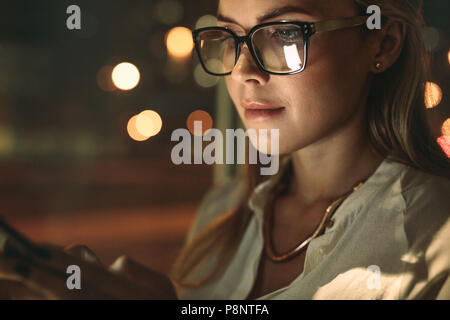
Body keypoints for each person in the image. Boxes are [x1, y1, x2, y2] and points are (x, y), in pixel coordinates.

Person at [0, 0, 449, 300]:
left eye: (284, 34)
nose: (244, 70)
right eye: (230, 37)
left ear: (382, 43)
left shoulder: (435, 235)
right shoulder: (223, 212)